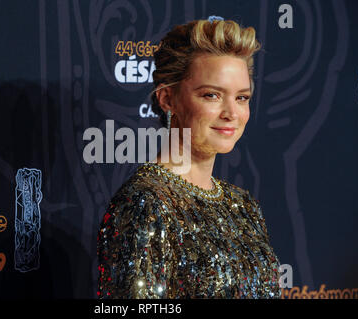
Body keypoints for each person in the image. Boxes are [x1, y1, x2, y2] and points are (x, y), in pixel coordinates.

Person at [97, 16, 281, 299]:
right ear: (168, 99)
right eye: (212, 95)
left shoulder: (244, 206)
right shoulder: (144, 203)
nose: (231, 113)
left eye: (242, 97)